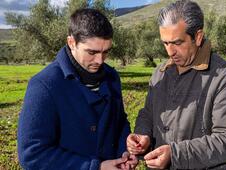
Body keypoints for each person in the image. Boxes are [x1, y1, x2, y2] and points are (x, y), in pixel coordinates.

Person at [127, 0, 226, 169]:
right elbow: (148, 113)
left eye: (177, 43)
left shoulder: (224, 78)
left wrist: (176, 155)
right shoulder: (160, 72)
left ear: (197, 37)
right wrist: (142, 134)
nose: (170, 52)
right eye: (165, 43)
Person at [18, 8, 137, 170]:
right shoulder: (44, 85)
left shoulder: (112, 77)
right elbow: (32, 154)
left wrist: (125, 152)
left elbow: (119, 122)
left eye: (105, 52)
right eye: (92, 52)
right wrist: (96, 167)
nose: (100, 60)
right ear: (71, 42)